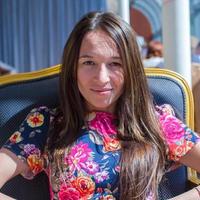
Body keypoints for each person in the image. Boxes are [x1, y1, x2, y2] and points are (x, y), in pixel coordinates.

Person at [0, 11, 200, 200]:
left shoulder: (156, 122)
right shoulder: (47, 124)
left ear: (130, 69)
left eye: (115, 64)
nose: (102, 78)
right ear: (73, 68)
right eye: (89, 63)